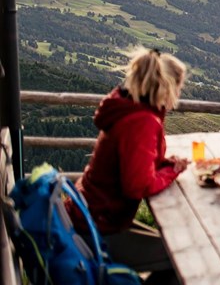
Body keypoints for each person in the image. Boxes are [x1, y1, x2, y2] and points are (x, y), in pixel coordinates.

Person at [69, 47, 190, 285]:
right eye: (179, 86)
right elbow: (137, 186)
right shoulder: (142, 121)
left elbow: (135, 162)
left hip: (90, 214)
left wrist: (165, 164)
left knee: (170, 247)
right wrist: (171, 172)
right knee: (183, 258)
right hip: (98, 227)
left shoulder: (130, 108)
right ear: (166, 86)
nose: (179, 92)